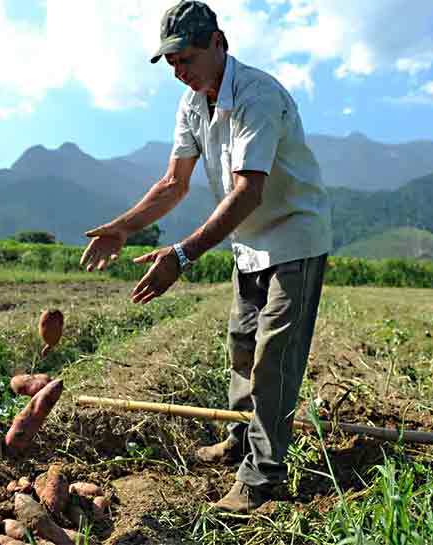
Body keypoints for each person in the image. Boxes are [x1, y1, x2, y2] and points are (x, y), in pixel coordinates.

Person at [80, 0, 332, 514]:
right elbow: (174, 182)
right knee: (241, 346)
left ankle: (264, 475)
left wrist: (182, 255)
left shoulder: (257, 95)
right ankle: (243, 436)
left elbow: (248, 192)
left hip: (294, 238)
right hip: (248, 242)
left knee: (274, 359)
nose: (179, 72)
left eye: (187, 59)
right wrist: (125, 227)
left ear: (219, 43)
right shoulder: (194, 102)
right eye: (171, 63)